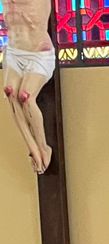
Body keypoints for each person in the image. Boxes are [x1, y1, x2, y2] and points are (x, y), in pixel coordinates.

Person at [2, 0, 57, 174]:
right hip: (14, 51)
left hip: (38, 53)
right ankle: (32, 147)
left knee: (25, 97)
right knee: (10, 93)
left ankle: (43, 147)